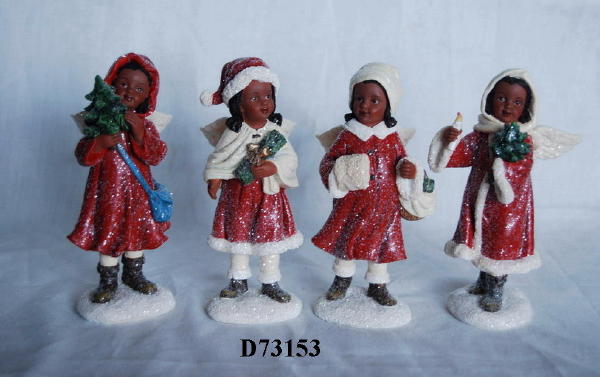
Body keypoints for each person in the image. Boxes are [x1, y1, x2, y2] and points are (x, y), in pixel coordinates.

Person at [428, 68, 578, 312]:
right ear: (490, 100)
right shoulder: (481, 135)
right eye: (502, 98)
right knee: (481, 241)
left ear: (526, 108)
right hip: (478, 198)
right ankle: (483, 280)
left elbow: (521, 168)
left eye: (517, 102)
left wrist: (501, 173)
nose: (508, 106)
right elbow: (457, 156)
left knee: (500, 244)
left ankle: (496, 288)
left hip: (507, 205)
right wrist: (449, 140)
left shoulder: (523, 139)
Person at [312, 63, 433, 306]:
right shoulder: (347, 136)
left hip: (385, 207)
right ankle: (341, 281)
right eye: (359, 99)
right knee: (347, 243)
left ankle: (378, 285)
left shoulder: (392, 137)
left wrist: (409, 170)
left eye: (374, 100)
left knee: (381, 247)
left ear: (388, 105)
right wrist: (341, 172)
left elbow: (403, 160)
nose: (365, 106)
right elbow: (327, 164)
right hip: (351, 206)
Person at [68, 53, 169, 304]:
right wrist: (100, 143)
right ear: (111, 86)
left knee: (137, 234)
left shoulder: (146, 125)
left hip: (138, 196)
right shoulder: (99, 124)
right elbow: (83, 156)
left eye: (139, 89)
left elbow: (157, 155)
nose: (129, 92)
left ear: (147, 96)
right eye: (123, 84)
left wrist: (140, 134)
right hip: (107, 194)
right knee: (109, 233)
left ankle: (134, 274)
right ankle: (108, 280)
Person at [200, 57, 302, 303]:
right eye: (254, 98)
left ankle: (270, 281)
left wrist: (273, 166)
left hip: (268, 195)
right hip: (239, 193)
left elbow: (289, 157)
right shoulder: (233, 132)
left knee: (270, 240)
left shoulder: (275, 131)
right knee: (239, 238)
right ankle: (238, 280)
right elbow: (220, 157)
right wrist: (215, 178)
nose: (264, 102)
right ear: (240, 105)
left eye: (268, 96)